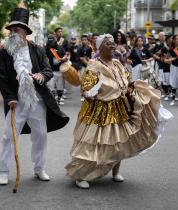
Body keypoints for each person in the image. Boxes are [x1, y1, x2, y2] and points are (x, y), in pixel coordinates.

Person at [65, 34, 172, 189]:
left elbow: (127, 81)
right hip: (99, 110)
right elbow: (86, 87)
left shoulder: (117, 63)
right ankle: (81, 175)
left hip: (119, 108)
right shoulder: (94, 65)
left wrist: (136, 93)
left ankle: (115, 173)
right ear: (99, 47)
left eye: (113, 44)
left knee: (119, 141)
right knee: (91, 143)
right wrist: (88, 94)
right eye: (108, 44)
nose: (113, 46)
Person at [0, 4, 69, 185]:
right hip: (16, 101)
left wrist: (41, 76)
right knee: (9, 135)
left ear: (25, 32)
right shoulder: (5, 51)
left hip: (37, 99)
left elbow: (48, 70)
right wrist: (10, 98)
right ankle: (3, 171)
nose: (13, 32)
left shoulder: (37, 49)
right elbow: (3, 77)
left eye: (16, 29)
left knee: (41, 135)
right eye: (11, 29)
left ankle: (39, 168)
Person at [45, 34, 68, 105]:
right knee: (50, 86)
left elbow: (65, 55)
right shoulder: (46, 48)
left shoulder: (60, 47)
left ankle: (59, 98)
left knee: (60, 86)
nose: (51, 43)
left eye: (52, 41)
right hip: (50, 70)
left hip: (59, 70)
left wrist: (64, 58)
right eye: (50, 42)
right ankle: (53, 99)